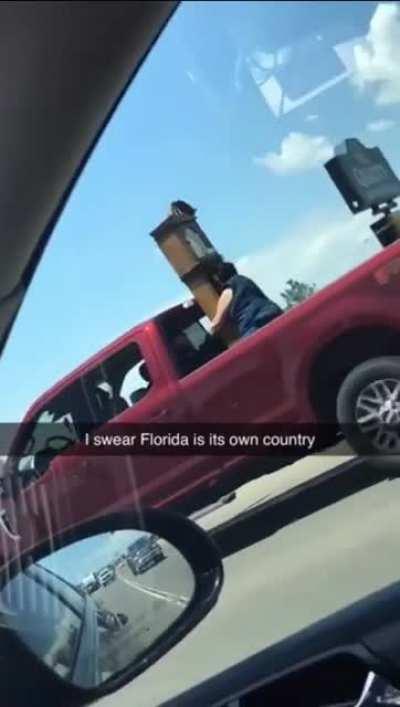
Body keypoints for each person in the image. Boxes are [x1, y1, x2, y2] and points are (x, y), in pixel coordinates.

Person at [210, 262, 282, 339]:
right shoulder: (245, 280)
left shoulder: (229, 288)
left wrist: (210, 332)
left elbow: (217, 322)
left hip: (254, 323)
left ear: (219, 279)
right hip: (273, 312)